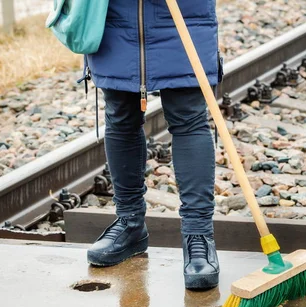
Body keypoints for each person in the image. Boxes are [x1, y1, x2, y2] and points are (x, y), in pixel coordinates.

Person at [84, 0, 222, 290]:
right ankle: (130, 224)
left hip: (183, 16)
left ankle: (198, 236)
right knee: (120, 115)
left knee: (189, 118)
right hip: (115, 18)